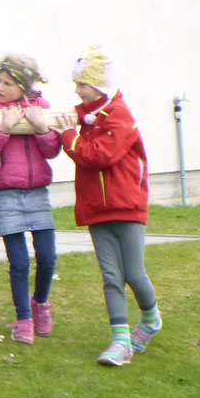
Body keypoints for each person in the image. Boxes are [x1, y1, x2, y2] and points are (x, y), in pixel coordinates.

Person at [54, 46, 162, 366]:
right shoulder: (86, 116)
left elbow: (100, 155)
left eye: (81, 84)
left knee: (134, 274)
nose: (76, 90)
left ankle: (152, 320)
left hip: (126, 207)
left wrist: (68, 136)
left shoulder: (119, 115)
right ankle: (121, 341)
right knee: (111, 276)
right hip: (97, 210)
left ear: (99, 86)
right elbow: (72, 126)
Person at [0, 54, 61, 344]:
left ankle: (40, 304)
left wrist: (41, 128)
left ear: (23, 86)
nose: (0, 87)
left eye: (8, 83)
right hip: (7, 194)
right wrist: (3, 128)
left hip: (38, 192)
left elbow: (51, 151)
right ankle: (23, 318)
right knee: (20, 261)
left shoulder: (42, 109)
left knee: (48, 257)